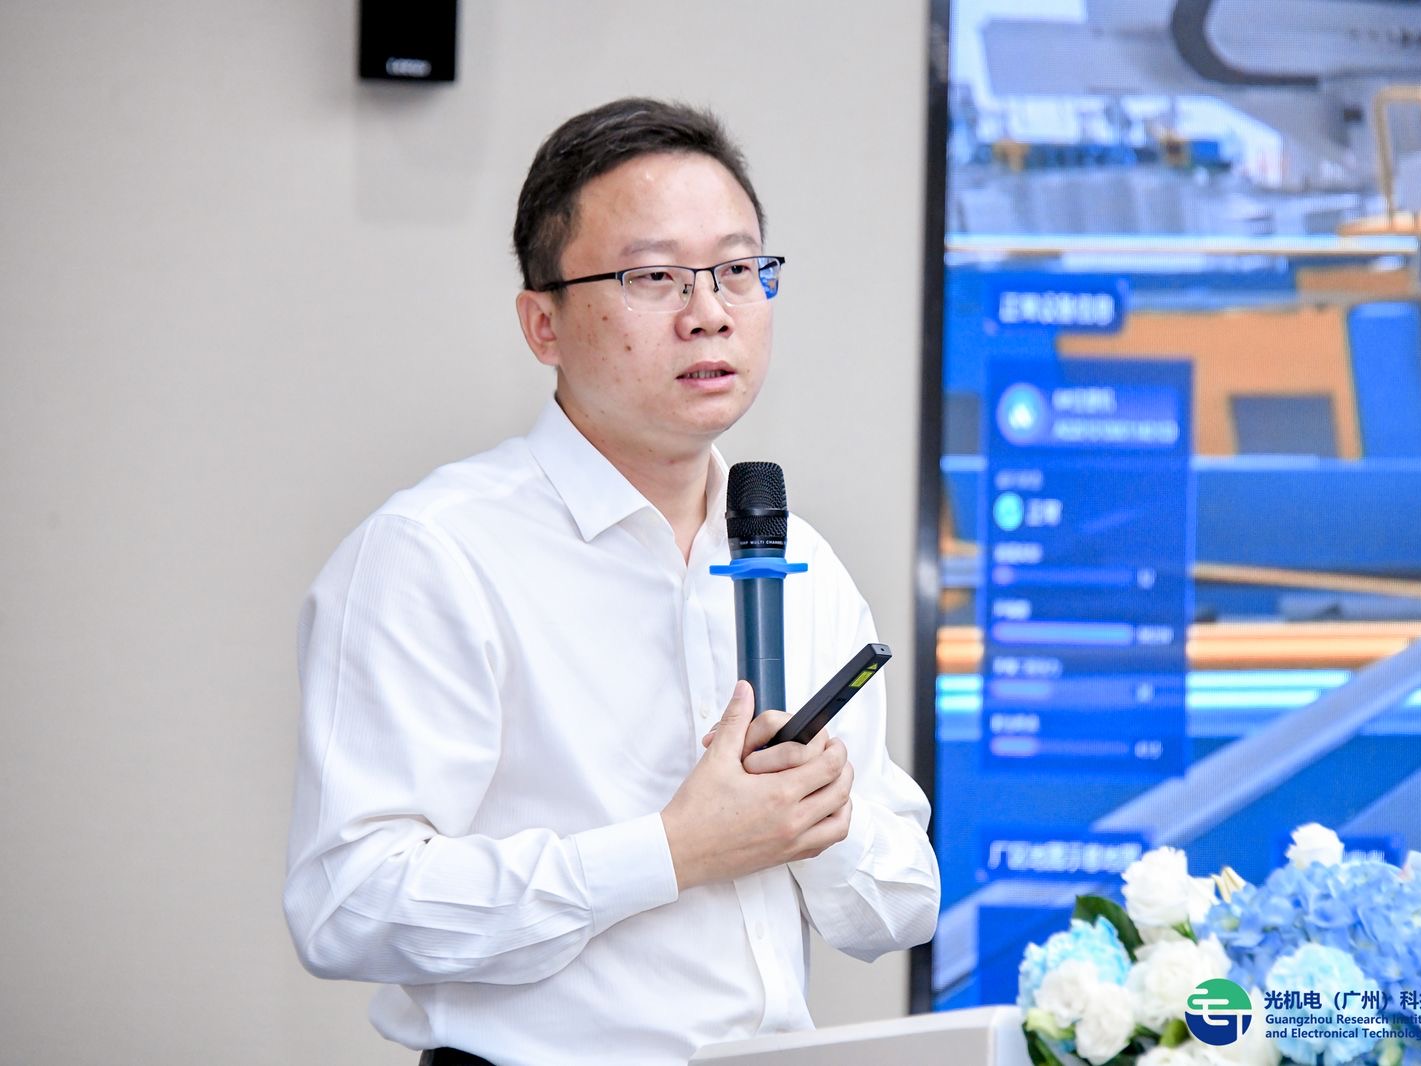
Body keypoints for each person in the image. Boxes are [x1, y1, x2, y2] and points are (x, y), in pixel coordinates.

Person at [283, 97, 940, 1066]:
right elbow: (346, 904)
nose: (709, 311)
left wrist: (817, 818)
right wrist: (671, 851)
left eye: (738, 269)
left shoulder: (797, 556)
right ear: (542, 323)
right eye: (653, 275)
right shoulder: (434, 553)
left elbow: (901, 909)